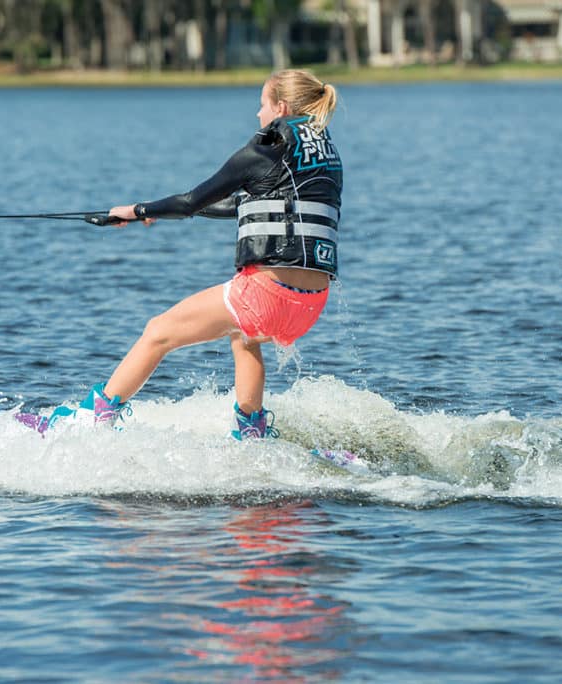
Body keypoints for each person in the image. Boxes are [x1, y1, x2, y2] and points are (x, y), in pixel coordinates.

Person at [43, 69, 343, 440]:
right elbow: (241, 205)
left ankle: (93, 419)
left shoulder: (265, 148)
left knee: (158, 332)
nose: (258, 115)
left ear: (280, 107)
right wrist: (149, 213)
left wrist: (138, 209)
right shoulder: (320, 156)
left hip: (267, 295)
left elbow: (189, 202)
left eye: (262, 104)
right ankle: (252, 431)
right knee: (243, 336)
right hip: (310, 304)